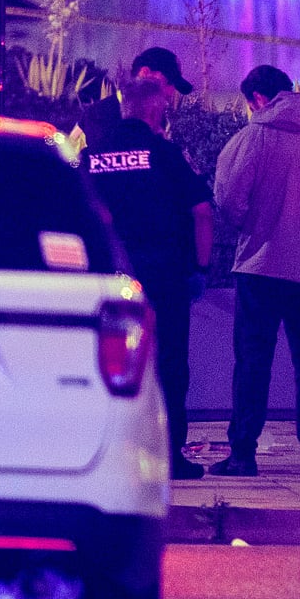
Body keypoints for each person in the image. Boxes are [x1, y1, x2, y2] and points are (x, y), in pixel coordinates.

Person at [209, 65, 300, 478]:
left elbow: (229, 198)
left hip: (263, 263)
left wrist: (252, 226)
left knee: (253, 360)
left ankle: (242, 454)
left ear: (257, 98)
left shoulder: (254, 136)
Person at [84, 78, 215, 480]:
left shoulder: (91, 156)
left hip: (108, 278)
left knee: (108, 366)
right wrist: (201, 268)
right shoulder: (164, 154)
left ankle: (106, 454)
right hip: (164, 274)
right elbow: (202, 212)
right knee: (170, 365)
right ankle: (170, 456)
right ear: (156, 109)